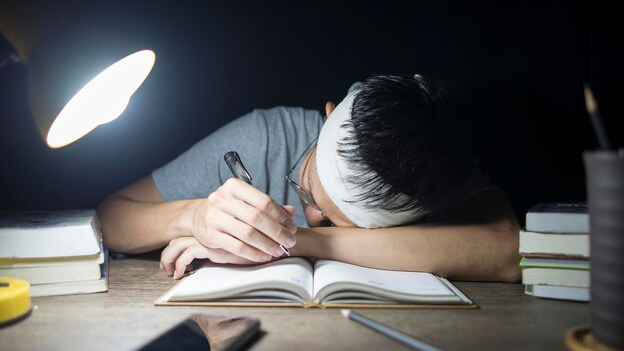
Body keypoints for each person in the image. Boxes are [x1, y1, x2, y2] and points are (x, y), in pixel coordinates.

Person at [97, 74, 520, 282]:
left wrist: (295, 241)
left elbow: (508, 249)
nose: (312, 216)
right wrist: (194, 216)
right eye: (306, 189)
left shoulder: (432, 162)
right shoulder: (266, 137)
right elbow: (110, 218)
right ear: (329, 114)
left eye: (338, 222)